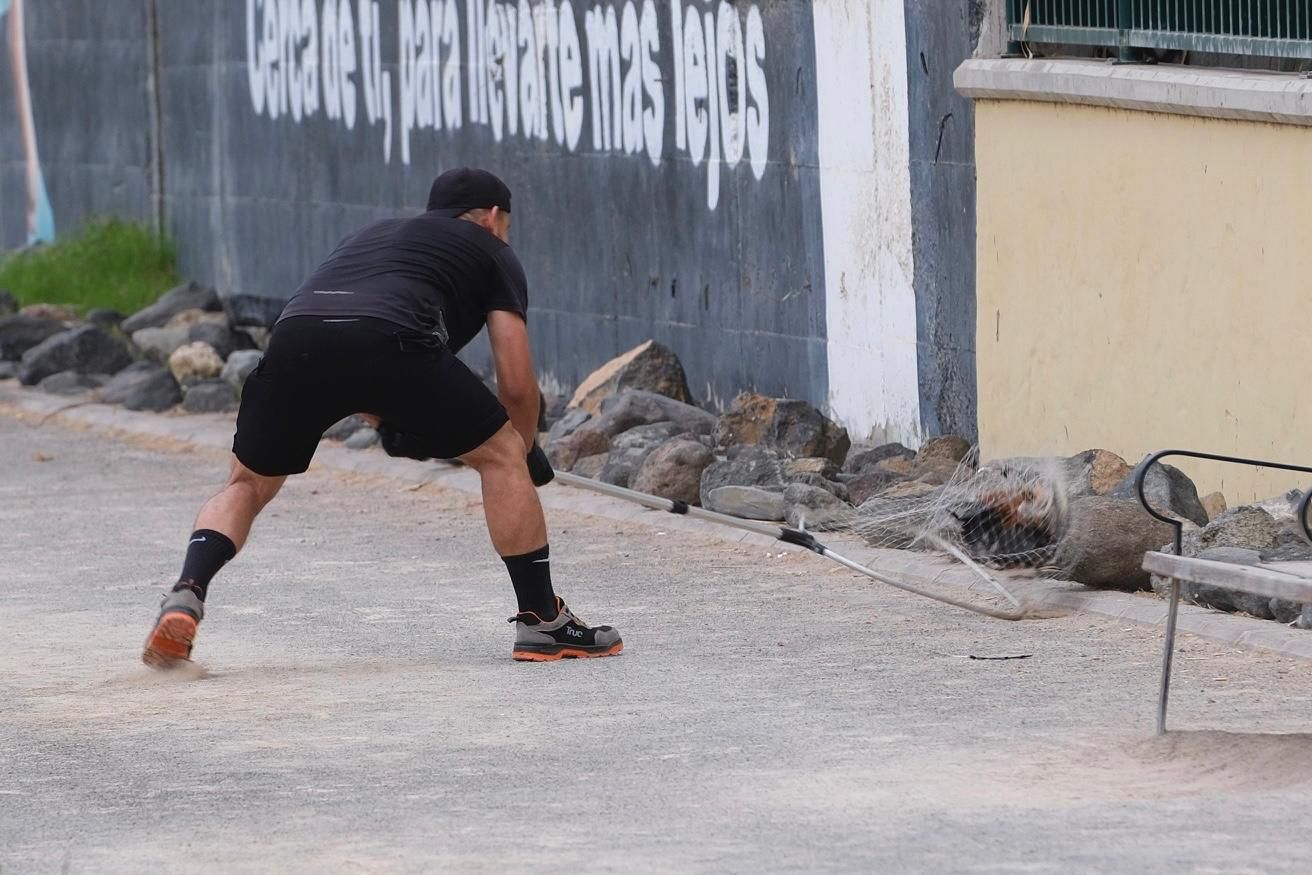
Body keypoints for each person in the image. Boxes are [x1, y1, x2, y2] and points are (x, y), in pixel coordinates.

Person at [142, 168, 622, 667]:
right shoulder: (492, 250)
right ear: (495, 217)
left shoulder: (369, 237)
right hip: (391, 339)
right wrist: (522, 448)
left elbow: (352, 356)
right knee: (500, 455)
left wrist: (391, 423)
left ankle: (186, 591)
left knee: (246, 483)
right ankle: (543, 621)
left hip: (296, 339)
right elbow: (518, 384)